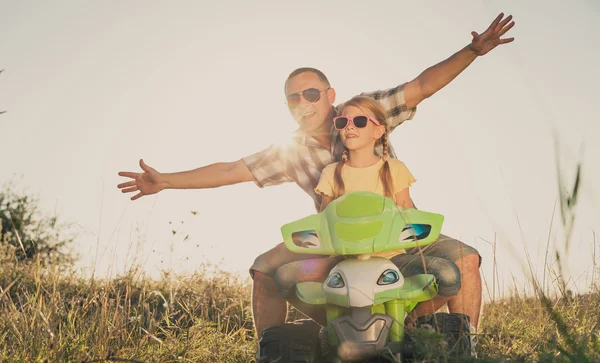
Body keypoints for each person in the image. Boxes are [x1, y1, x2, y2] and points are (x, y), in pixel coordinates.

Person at [117, 13, 516, 339]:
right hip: (334, 239)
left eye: (311, 93)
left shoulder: (364, 111)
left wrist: (472, 51)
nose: (303, 102)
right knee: (264, 270)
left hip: (395, 231)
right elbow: (228, 170)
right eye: (294, 97)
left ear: (330, 95)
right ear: (287, 105)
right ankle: (284, 354)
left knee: (465, 261)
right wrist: (165, 180)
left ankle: (462, 351)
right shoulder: (289, 151)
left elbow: (422, 86)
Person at [273, 95, 462, 321]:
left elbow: (406, 213)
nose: (350, 126)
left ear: (378, 131)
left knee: (448, 275)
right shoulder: (331, 173)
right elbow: (324, 222)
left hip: (391, 259)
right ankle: (330, 325)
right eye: (343, 122)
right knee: (284, 277)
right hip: (342, 261)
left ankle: (410, 324)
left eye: (360, 121)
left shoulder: (394, 169)